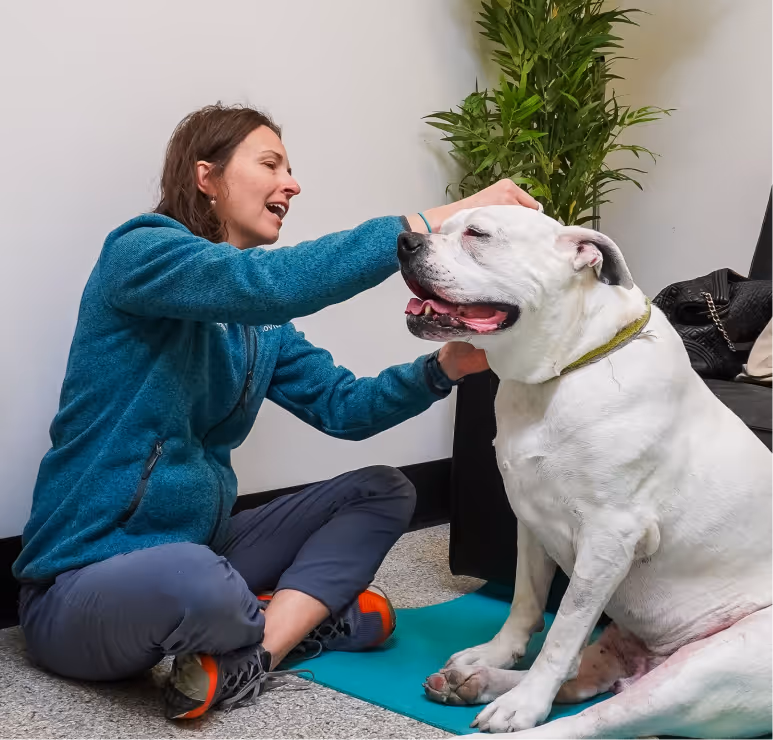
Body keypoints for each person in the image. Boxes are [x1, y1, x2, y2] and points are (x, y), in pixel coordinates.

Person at [13, 104, 539, 720]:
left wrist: (441, 369)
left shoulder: (260, 330)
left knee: (384, 490)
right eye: (270, 164)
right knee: (197, 579)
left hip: (204, 547)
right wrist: (434, 224)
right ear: (205, 177)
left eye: (290, 169)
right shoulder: (140, 252)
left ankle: (254, 649)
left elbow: (345, 408)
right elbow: (267, 284)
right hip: (78, 587)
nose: (292, 183)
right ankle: (297, 618)